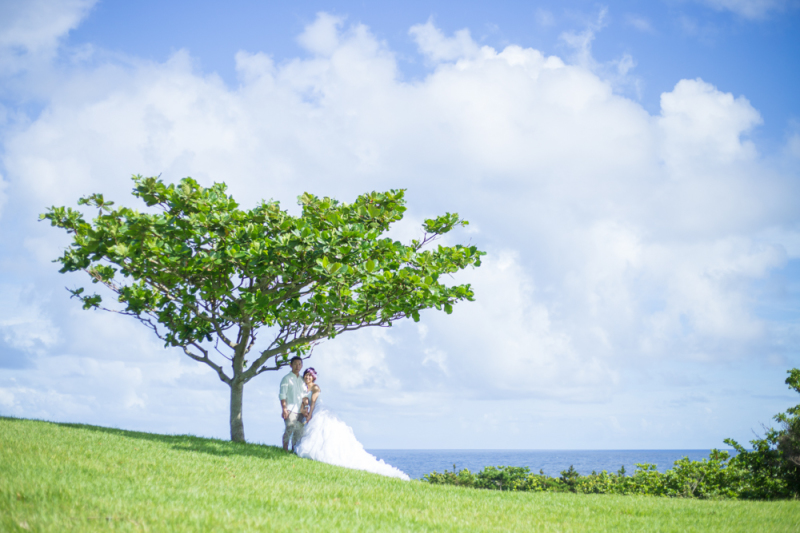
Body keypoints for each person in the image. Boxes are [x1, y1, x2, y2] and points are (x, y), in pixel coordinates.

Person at [294, 367, 410, 480]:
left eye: (310, 375)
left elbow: (313, 403)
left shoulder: (315, 387)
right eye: (306, 375)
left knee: (321, 431)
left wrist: (309, 415)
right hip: (313, 411)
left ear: (313, 377)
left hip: (319, 410)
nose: (308, 377)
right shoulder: (305, 388)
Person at [278, 356, 306, 452]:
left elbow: (305, 396)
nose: (297, 366)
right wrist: (284, 409)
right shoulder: (286, 378)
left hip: (301, 411)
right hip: (290, 410)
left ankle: (294, 450)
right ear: (290, 365)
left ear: (301, 366)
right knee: (289, 430)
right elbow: (282, 395)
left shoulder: (303, 380)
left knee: (298, 433)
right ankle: (284, 449)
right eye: (295, 364)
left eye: (299, 364)